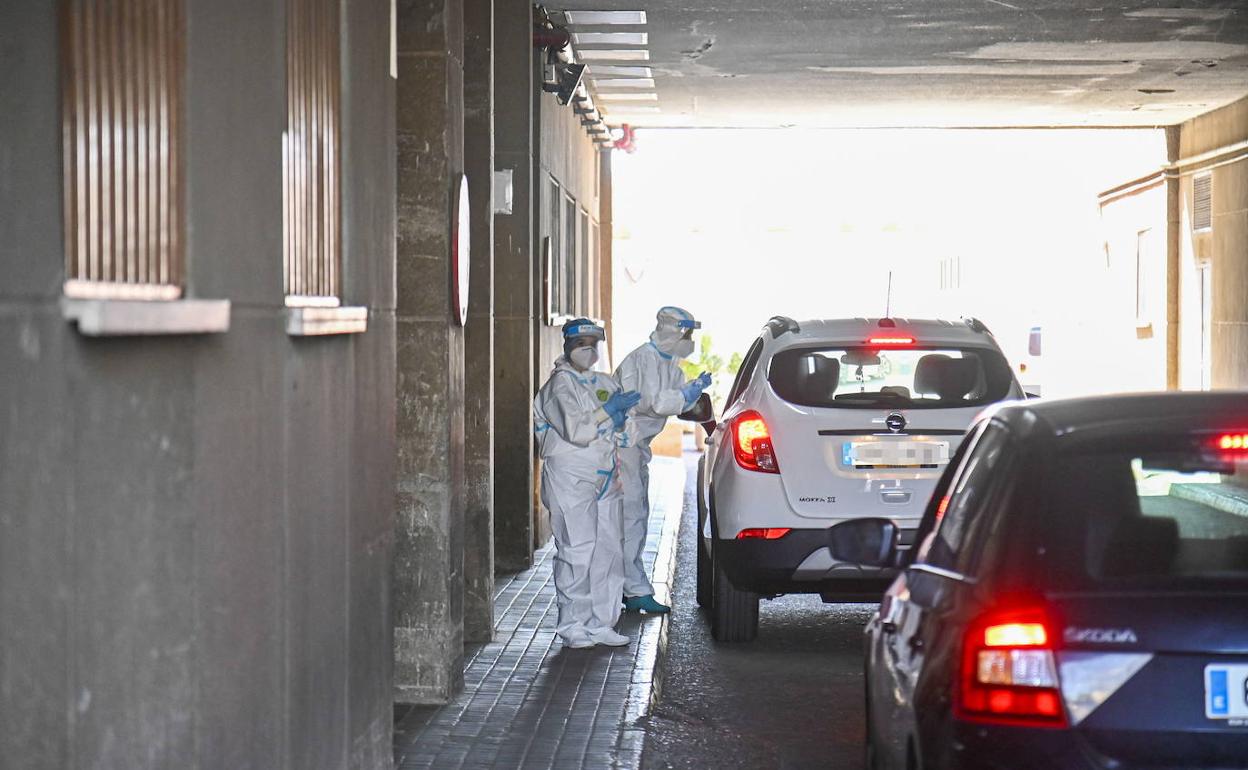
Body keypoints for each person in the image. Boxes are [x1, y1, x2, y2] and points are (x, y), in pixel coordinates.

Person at [534, 318, 642, 648]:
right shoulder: (558, 387)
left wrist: (621, 421)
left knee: (608, 549)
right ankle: (572, 624)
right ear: (567, 346)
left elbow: (629, 435)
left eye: (594, 344)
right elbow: (575, 430)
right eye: (582, 344)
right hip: (570, 476)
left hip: (606, 475)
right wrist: (606, 412)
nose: (589, 350)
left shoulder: (605, 382)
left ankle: (601, 622)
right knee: (577, 549)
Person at [614, 306, 712, 614]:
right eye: (686, 334)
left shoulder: (671, 364)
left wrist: (690, 394)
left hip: (636, 445)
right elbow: (654, 403)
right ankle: (631, 590)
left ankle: (627, 587)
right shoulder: (641, 359)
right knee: (628, 516)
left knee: (634, 516)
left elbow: (678, 402)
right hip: (620, 443)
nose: (689, 340)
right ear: (671, 331)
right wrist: (685, 393)